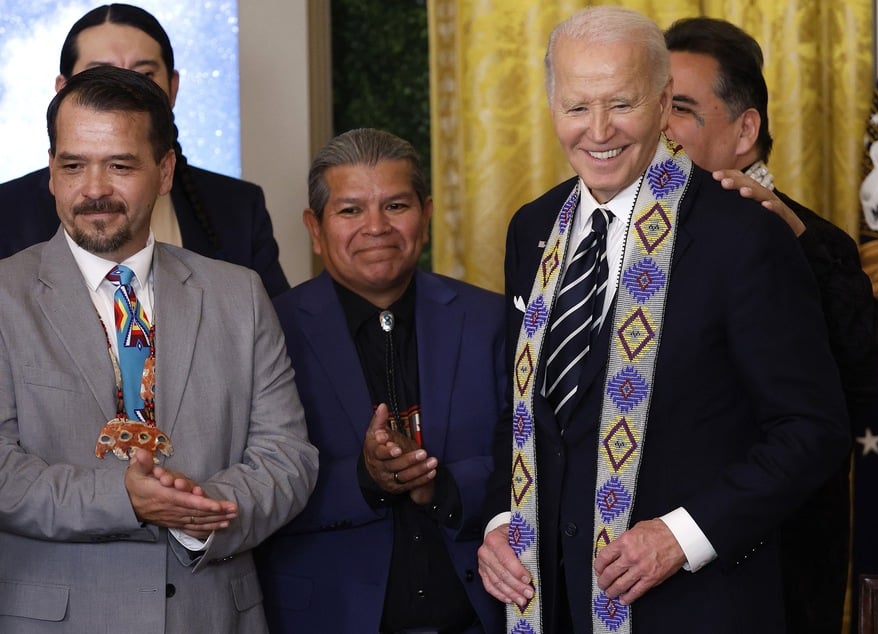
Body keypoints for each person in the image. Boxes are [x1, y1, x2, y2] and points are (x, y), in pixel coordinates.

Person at [477, 7, 851, 634]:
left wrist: (683, 536)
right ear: (550, 108)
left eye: (620, 104)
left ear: (660, 104)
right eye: (576, 108)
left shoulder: (743, 237)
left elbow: (812, 430)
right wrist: (498, 525)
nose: (597, 131)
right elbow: (524, 411)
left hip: (694, 609)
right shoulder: (532, 229)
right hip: (551, 607)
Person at [0, 65, 319, 632]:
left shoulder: (239, 293)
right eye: (73, 166)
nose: (94, 188)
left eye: (120, 165)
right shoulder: (4, 296)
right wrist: (127, 498)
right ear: (50, 173)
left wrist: (200, 512)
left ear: (165, 170)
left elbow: (287, 457)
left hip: (213, 614)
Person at [663, 17, 878, 633]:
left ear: (746, 130)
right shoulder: (624, 238)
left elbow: (871, 388)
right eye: (655, 104)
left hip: (778, 570)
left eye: (682, 108)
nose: (658, 127)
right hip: (653, 563)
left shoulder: (815, 241)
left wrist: (804, 253)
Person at [255, 128, 505, 633]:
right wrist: (364, 479)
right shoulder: (267, 328)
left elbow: (528, 457)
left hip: (476, 614)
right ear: (315, 227)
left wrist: (442, 485)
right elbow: (248, 481)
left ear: (427, 215)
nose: (376, 227)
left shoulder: (490, 319)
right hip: (324, 618)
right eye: (350, 211)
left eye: (396, 206)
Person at [0, 3, 290, 298]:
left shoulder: (239, 207)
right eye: (101, 77)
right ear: (62, 90)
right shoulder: (8, 212)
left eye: (144, 75)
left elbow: (271, 324)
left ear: (173, 87)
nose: (125, 94)